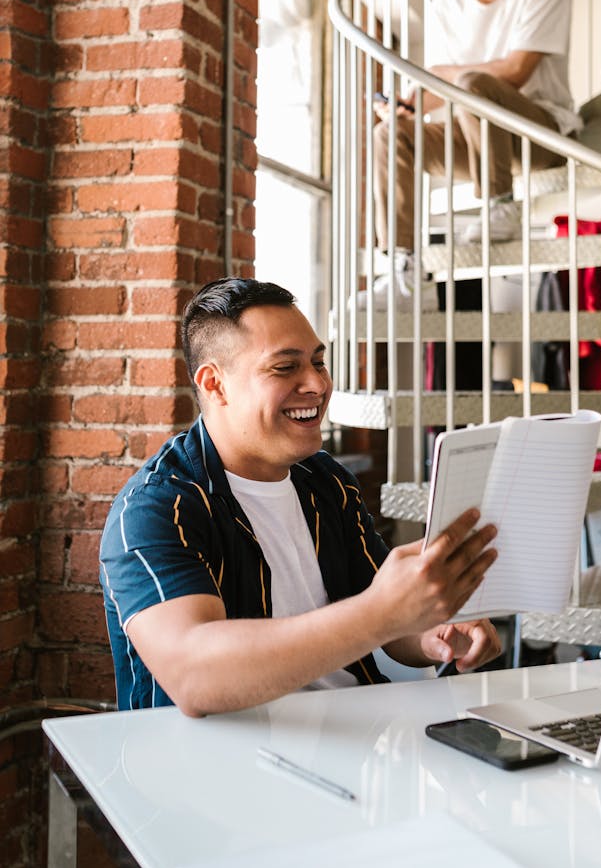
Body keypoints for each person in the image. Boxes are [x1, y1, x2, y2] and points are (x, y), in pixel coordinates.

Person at [100, 277, 502, 715]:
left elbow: (387, 623)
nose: (316, 384)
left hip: (358, 738)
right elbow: (196, 680)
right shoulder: (156, 509)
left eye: (318, 362)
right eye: (284, 367)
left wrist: (433, 632)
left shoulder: (327, 481)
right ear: (215, 385)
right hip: (217, 765)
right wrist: (383, 612)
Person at [370, 0, 582, 307]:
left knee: (473, 84)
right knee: (389, 136)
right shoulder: (447, 3)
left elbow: (517, 71)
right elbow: (436, 88)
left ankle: (501, 205)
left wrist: (443, 76)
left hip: (539, 134)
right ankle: (406, 274)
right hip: (475, 139)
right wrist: (407, 106)